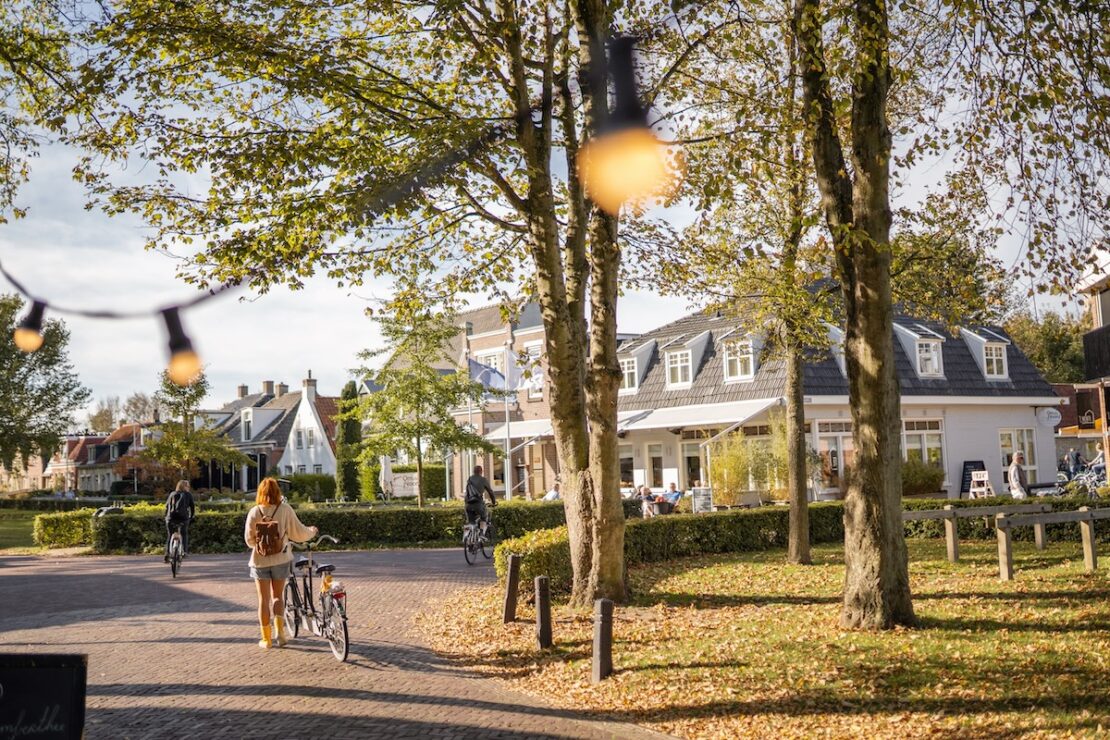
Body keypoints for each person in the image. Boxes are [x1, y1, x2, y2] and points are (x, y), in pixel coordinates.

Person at [244, 477, 317, 649]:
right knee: (277, 596)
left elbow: (249, 540)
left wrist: (262, 545)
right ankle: (280, 634)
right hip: (281, 559)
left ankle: (266, 639)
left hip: (259, 561)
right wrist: (312, 532)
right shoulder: (285, 509)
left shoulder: (254, 512)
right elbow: (298, 532)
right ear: (277, 492)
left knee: (263, 600)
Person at [164, 480, 195, 561]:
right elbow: (192, 507)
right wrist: (191, 517)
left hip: (171, 518)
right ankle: (184, 551)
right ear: (185, 487)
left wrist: (166, 517)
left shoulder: (172, 494)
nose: (188, 488)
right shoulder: (188, 495)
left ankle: (167, 554)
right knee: (184, 534)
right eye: (187, 486)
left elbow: (167, 506)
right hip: (183, 518)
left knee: (170, 535)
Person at [464, 465, 498, 537]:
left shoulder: (469, 479)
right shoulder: (483, 480)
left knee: (471, 522)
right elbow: (490, 492)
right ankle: (481, 533)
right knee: (484, 517)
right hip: (478, 504)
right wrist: (493, 502)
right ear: (481, 471)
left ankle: (467, 537)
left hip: (468, 504)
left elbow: (467, 492)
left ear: (473, 471)